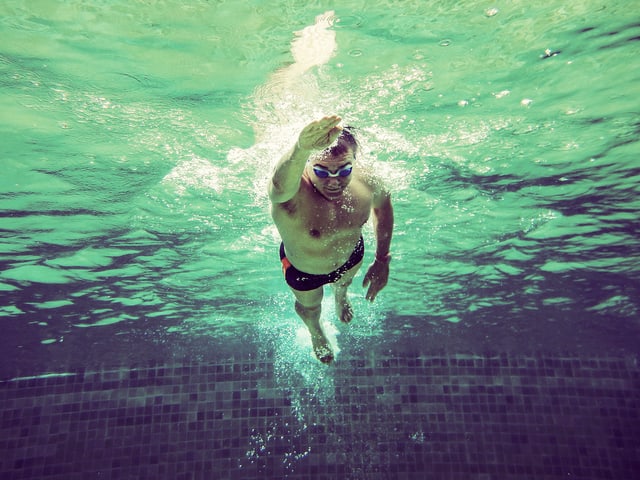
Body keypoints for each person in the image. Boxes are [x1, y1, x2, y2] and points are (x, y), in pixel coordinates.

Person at [268, 115, 394, 364]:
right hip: (304, 271)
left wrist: (382, 259)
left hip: (351, 258)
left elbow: (384, 206)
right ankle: (316, 332)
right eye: (321, 171)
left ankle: (341, 296)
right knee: (311, 308)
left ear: (354, 161)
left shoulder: (366, 182)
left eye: (344, 170)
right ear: (306, 166)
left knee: (343, 284)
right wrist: (302, 147)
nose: (334, 181)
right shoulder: (293, 193)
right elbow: (277, 187)